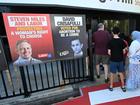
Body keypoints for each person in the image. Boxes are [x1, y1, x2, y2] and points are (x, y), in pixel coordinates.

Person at [108, 27, 126, 92]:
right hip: (120, 60)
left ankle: (111, 86)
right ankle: (123, 86)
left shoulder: (110, 41)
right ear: (119, 33)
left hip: (113, 60)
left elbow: (109, 52)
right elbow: (124, 52)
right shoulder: (122, 41)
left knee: (112, 73)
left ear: (112, 33)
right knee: (121, 73)